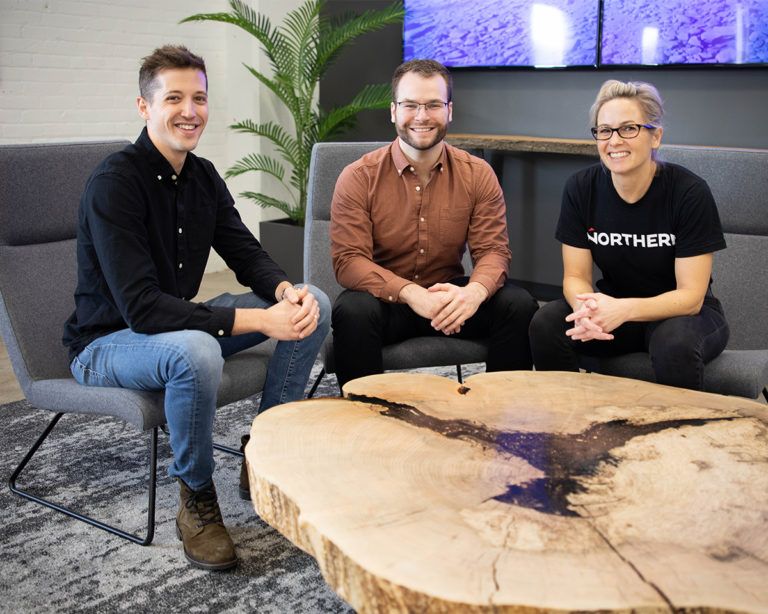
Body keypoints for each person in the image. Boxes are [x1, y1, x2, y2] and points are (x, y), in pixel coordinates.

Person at [62, 45, 330, 571]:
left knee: (313, 301)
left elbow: (246, 253)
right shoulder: (114, 184)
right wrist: (260, 320)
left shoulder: (203, 175)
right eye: (175, 98)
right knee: (196, 352)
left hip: (173, 326)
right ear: (144, 106)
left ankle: (264, 458)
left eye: (199, 98)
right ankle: (197, 498)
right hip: (106, 344)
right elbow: (143, 310)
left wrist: (282, 292)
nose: (190, 110)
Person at [330, 59, 538, 388]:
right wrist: (411, 294)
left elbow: (494, 251)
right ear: (394, 111)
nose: (422, 116)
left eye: (433, 105)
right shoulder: (358, 177)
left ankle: (500, 417)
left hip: (450, 296)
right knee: (353, 310)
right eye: (410, 104)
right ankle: (364, 419)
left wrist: (473, 293)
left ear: (449, 110)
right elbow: (348, 261)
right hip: (388, 303)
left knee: (518, 303)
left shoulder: (477, 174)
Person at [528, 79, 729, 390]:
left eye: (629, 128)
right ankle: (569, 427)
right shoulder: (582, 188)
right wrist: (586, 311)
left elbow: (690, 297)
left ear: (656, 136)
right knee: (548, 323)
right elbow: (576, 276)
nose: (614, 140)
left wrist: (621, 310)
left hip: (681, 315)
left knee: (673, 343)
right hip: (612, 309)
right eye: (604, 130)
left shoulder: (689, 192)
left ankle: (674, 436)